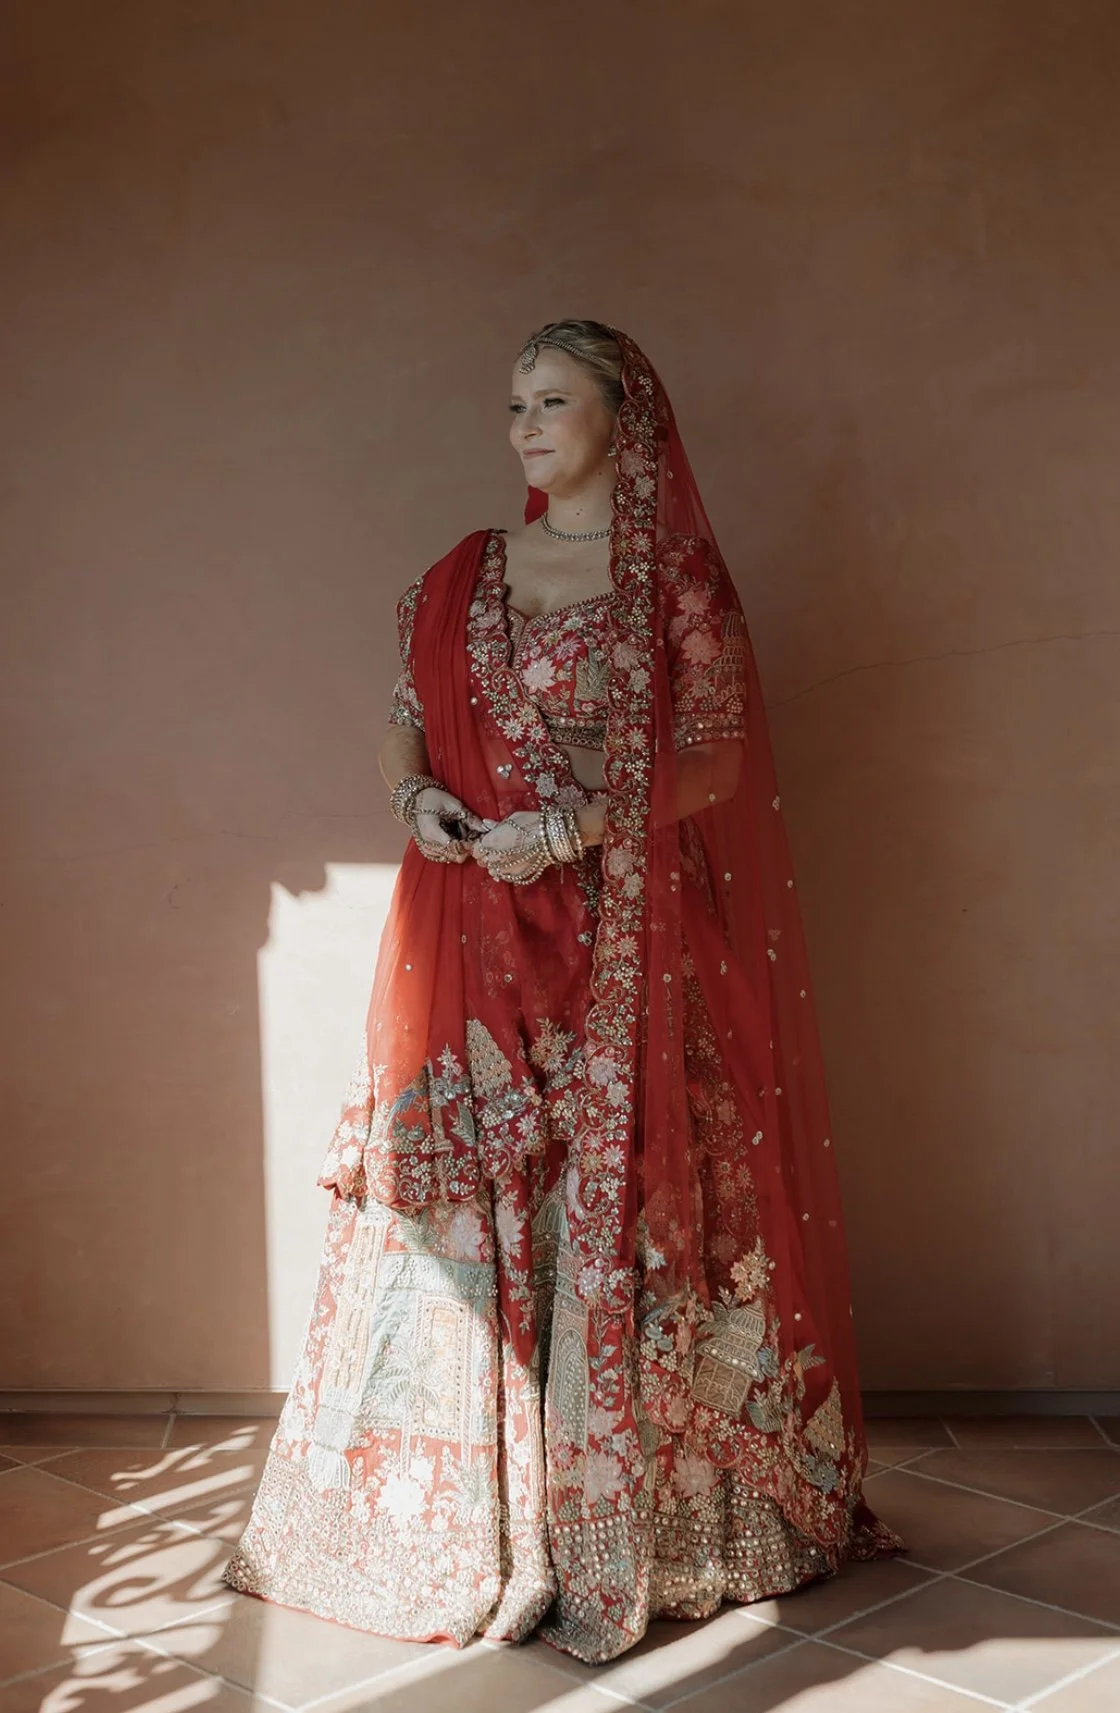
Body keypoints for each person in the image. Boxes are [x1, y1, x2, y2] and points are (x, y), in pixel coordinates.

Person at [223, 320, 902, 1664]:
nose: (526, 426)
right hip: (475, 925)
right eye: (515, 403)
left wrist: (585, 827)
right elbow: (403, 711)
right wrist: (415, 795)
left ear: (624, 420)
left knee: (644, 1192)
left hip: (627, 932)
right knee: (480, 1191)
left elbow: (715, 757)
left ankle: (656, 1520)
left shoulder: (677, 586)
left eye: (555, 401)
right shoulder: (463, 571)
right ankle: (466, 1511)